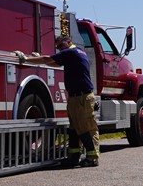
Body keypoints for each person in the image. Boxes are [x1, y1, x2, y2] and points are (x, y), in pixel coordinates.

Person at [16, 34, 99, 167]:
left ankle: (92, 157)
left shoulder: (71, 52)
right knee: (74, 128)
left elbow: (47, 59)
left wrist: (26, 59)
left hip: (82, 97)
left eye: (61, 46)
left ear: (68, 41)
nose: (60, 49)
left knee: (85, 128)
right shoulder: (76, 53)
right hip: (76, 97)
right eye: (58, 47)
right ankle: (74, 157)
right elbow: (53, 62)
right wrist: (37, 58)